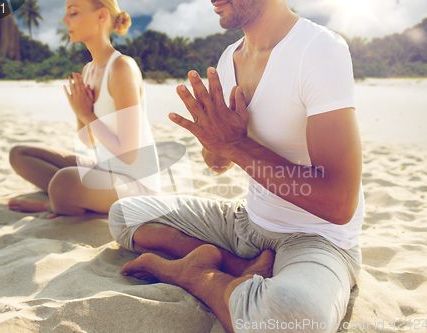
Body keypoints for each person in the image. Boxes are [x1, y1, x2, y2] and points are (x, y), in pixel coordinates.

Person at [110, 0, 364, 332]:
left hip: (315, 237)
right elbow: (218, 163)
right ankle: (236, 264)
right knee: (124, 216)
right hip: (246, 222)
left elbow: (339, 202)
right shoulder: (229, 59)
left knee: (297, 319)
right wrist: (217, 144)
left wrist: (237, 144)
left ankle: (194, 275)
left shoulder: (318, 49)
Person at [8, 0, 160, 218]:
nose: (64, 20)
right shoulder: (88, 70)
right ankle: (68, 196)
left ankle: (51, 204)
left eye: (73, 12)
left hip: (137, 185)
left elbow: (128, 154)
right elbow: (88, 141)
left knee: (65, 181)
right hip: (104, 169)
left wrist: (86, 113)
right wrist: (80, 112)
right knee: (19, 155)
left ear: (101, 16)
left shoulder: (121, 67)